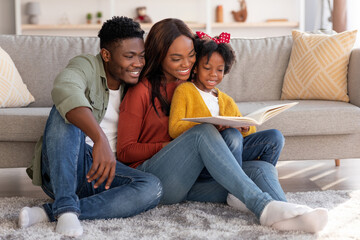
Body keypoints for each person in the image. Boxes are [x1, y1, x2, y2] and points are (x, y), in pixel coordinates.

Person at [117, 18, 328, 233]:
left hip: (194, 181)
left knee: (261, 168)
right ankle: (262, 206)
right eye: (176, 58)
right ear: (159, 56)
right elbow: (124, 152)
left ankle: (292, 214)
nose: (186, 64)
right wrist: (171, 146)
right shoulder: (140, 92)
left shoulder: (191, 85)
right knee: (203, 133)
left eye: (191, 56)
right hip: (158, 180)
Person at [18, 16, 162, 237]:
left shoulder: (137, 84)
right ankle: (65, 204)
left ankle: (51, 212)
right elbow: (65, 88)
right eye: (129, 56)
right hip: (68, 166)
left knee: (152, 187)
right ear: (106, 55)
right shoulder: (86, 64)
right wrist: (99, 138)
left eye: (141, 56)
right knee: (64, 110)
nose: (138, 63)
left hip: (105, 175)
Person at [168, 31, 286, 210]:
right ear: (196, 67)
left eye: (220, 70)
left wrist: (245, 127)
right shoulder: (185, 90)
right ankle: (236, 189)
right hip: (206, 159)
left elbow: (248, 133)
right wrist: (211, 125)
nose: (213, 74)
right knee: (231, 135)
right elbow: (174, 129)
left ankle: (255, 183)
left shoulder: (226, 100)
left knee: (275, 138)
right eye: (207, 68)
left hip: (233, 153)